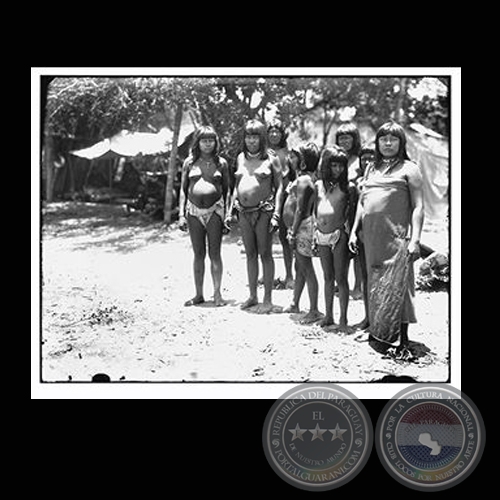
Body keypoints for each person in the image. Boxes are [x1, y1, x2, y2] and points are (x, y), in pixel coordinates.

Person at [348, 121, 424, 360]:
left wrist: (416, 239)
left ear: (401, 143)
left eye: (393, 139)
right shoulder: (371, 168)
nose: (388, 143)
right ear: (377, 143)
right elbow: (363, 202)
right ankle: (378, 332)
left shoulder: (410, 169)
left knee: (398, 286)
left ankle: (403, 340)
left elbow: (419, 207)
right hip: (370, 238)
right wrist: (353, 231)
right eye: (383, 139)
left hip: (396, 237)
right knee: (375, 284)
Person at [225, 119, 284, 314]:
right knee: (250, 254)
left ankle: (267, 299)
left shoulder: (271, 159)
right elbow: (236, 185)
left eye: (255, 137)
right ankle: (252, 295)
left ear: (262, 139)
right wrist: (230, 208)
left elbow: (280, 187)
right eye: (248, 137)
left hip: (263, 211)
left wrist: (276, 213)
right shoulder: (241, 157)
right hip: (243, 211)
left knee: (265, 253)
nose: (251, 141)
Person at [178, 126, 230, 307]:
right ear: (197, 142)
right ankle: (199, 294)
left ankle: (217, 294)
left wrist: (228, 215)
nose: (207, 144)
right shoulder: (189, 163)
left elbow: (227, 190)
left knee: (215, 253)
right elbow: (183, 190)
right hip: (193, 212)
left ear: (215, 142)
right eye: (204, 140)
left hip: (215, 210)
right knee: (198, 253)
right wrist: (181, 214)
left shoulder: (221, 163)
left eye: (211, 140)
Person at [314, 146, 354, 331]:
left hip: (339, 236)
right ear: (326, 166)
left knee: (341, 278)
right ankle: (328, 316)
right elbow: (315, 209)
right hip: (321, 235)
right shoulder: (318, 186)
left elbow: (352, 215)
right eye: (334, 166)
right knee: (327, 277)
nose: (337, 170)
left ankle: (344, 320)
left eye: (341, 166)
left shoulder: (348, 188)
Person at [282, 143, 322, 324]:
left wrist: (293, 231)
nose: (290, 159)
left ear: (304, 161)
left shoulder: (304, 180)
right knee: (300, 267)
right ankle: (295, 302)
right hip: (299, 227)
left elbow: (300, 209)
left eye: (294, 156)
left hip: (301, 228)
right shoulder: (302, 178)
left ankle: (314, 309)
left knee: (306, 268)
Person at [335, 122, 364, 300]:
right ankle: (341, 283)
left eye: (348, 137)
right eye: (341, 138)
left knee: (357, 248)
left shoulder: (360, 158)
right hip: (339, 208)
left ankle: (357, 287)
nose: (344, 141)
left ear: (355, 139)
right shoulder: (335, 157)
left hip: (356, 207)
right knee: (340, 247)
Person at [350, 144, 376, 330]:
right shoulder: (357, 181)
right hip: (361, 232)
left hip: (381, 233)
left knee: (378, 276)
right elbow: (355, 209)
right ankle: (367, 317)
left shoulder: (383, 179)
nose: (367, 161)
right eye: (364, 158)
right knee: (366, 277)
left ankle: (378, 319)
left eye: (371, 157)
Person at [267, 119, 295, 289]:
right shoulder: (263, 152)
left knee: (286, 238)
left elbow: (294, 174)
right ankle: (267, 274)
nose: (274, 134)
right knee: (265, 238)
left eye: (277, 131)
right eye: (271, 131)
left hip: (285, 198)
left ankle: (289, 275)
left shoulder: (288, 152)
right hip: (266, 199)